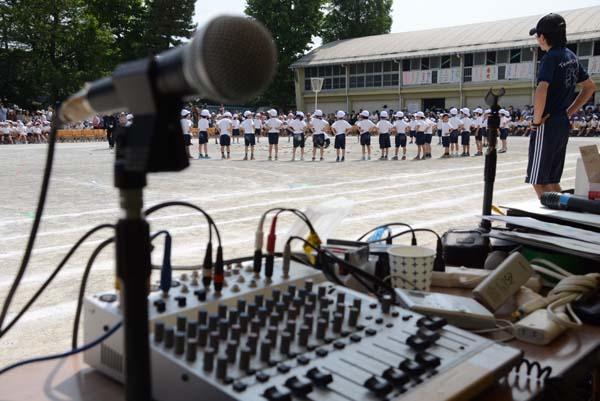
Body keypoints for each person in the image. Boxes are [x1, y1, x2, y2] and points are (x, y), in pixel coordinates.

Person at [526, 12, 596, 198]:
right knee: (551, 179)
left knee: (538, 179)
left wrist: (536, 121)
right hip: (562, 122)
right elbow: (589, 87)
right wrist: (569, 112)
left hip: (547, 123)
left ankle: (553, 221)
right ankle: (566, 215)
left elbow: (542, 89)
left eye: (538, 35)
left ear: (543, 36)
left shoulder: (550, 58)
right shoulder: (570, 56)